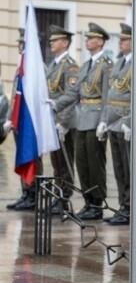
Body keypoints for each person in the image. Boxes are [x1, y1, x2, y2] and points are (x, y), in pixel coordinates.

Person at [53, 22, 113, 220]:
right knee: (82, 162)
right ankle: (88, 200)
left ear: (100, 41)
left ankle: (97, 202)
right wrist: (55, 105)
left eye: (90, 38)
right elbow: (73, 92)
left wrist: (104, 121)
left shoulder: (106, 65)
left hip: (96, 118)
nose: (86, 41)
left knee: (95, 163)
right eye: (86, 38)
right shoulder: (86, 65)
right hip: (81, 119)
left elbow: (107, 96)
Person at [6, 28, 44, 211]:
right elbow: (16, 96)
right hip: (18, 121)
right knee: (22, 156)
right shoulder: (20, 67)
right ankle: (26, 193)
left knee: (32, 156)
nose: (18, 46)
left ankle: (34, 194)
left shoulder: (37, 68)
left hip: (30, 123)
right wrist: (9, 118)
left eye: (21, 43)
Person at [99, 23, 133, 225]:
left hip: (126, 120)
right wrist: (103, 120)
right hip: (113, 121)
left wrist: (130, 121)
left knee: (129, 167)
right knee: (119, 167)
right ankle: (123, 204)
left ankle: (130, 207)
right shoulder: (118, 63)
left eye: (125, 39)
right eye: (120, 39)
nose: (121, 42)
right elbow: (109, 96)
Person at [46, 25, 80, 215]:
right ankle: (57, 195)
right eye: (51, 40)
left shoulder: (70, 65)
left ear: (65, 43)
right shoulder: (54, 64)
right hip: (53, 120)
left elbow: (73, 95)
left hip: (64, 121)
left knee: (65, 162)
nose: (51, 42)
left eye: (55, 40)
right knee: (56, 161)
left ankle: (64, 198)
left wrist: (64, 121)